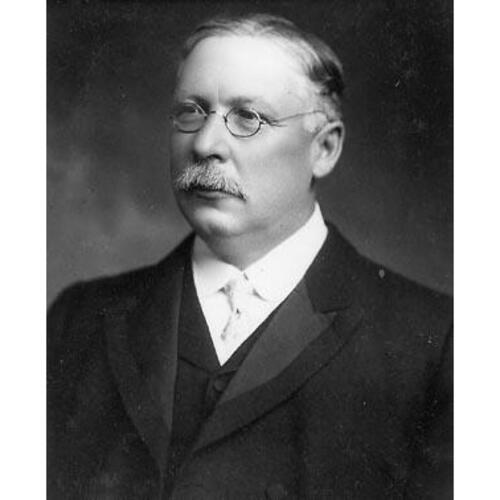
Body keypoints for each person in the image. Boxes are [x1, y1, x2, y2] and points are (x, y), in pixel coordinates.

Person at [47, 13, 452, 500]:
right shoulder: (78, 320)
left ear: (324, 148)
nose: (205, 144)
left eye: (247, 118)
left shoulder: (436, 344)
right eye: (191, 112)